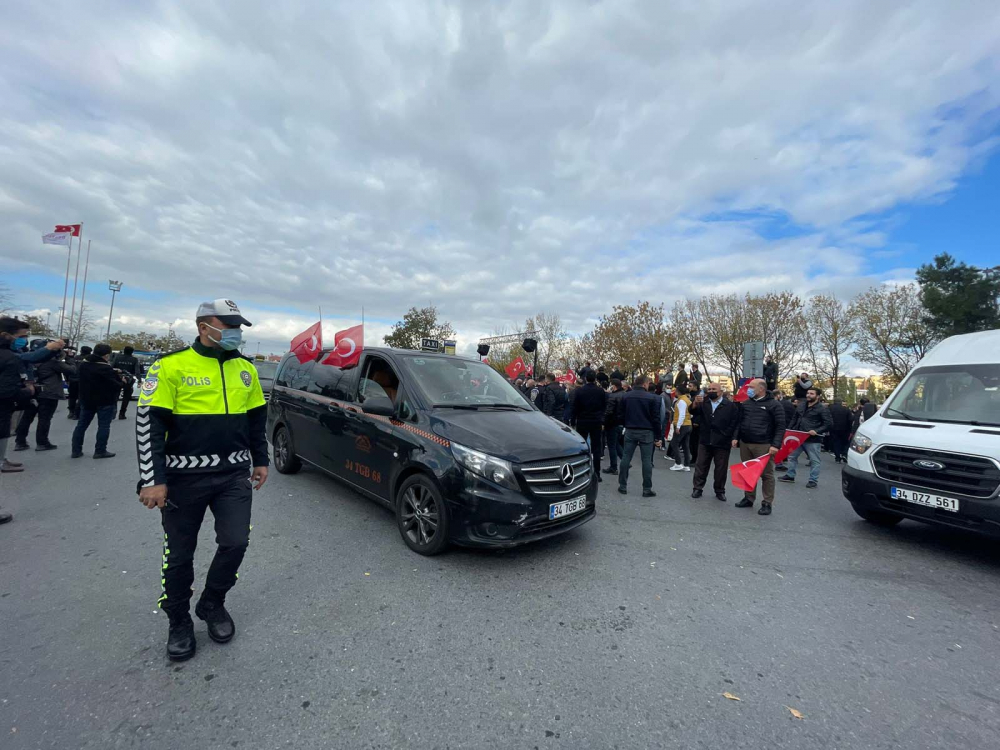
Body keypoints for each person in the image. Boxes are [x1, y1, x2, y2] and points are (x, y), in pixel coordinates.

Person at [136, 298, 269, 662]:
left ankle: (212, 603)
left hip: (233, 476)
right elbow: (149, 424)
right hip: (182, 479)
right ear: (202, 327)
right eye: (227, 325)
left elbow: (257, 419)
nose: (235, 332)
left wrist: (261, 459)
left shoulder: (247, 370)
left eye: (238, 325)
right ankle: (178, 619)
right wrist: (152, 479)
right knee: (179, 556)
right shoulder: (169, 366)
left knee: (236, 542)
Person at [0, 318, 63, 474]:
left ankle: (2, 458)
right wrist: (26, 392)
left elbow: (29, 358)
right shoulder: (8, 356)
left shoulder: (11, 353)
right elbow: (26, 360)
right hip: (6, 400)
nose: (23, 340)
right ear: (5, 335)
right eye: (20, 336)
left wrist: (51, 350)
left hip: (9, 402)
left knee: (6, 429)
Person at [732, 378, 786, 515]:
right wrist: (735, 437)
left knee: (767, 475)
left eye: (751, 387)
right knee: (748, 472)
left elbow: (780, 427)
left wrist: (775, 445)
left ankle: (767, 502)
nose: (748, 389)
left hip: (764, 444)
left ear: (761, 389)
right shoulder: (746, 403)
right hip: (746, 443)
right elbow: (739, 422)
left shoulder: (774, 405)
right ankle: (748, 498)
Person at [13, 346, 76, 451]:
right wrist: (70, 358)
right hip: (48, 392)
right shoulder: (52, 363)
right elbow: (72, 370)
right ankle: (42, 442)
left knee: (27, 417)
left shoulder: (30, 361)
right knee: (45, 418)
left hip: (32, 391)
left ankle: (20, 441)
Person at [71, 343, 124, 459]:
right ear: (106, 355)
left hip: (86, 399)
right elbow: (115, 385)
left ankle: (76, 450)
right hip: (105, 400)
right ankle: (100, 450)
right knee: (103, 426)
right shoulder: (105, 368)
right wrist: (123, 381)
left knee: (81, 425)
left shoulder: (84, 365)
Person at [691, 381, 739, 501]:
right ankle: (697, 488)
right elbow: (692, 411)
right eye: (710, 389)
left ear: (721, 392)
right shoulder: (703, 402)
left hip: (722, 442)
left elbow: (735, 423)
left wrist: (732, 437)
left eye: (714, 390)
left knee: (721, 469)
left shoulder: (730, 406)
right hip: (705, 440)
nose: (711, 391)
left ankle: (719, 490)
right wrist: (695, 403)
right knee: (701, 466)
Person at [616, 375, 662, 497]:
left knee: (626, 457)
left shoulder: (626, 396)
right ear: (645, 384)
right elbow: (656, 418)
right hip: (647, 431)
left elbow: (620, 415)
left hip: (630, 430)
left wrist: (625, 424)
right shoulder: (652, 398)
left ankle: (622, 485)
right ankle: (647, 488)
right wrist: (658, 437)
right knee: (646, 461)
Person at [779, 387, 833, 488]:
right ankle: (790, 475)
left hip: (812, 439)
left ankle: (813, 480)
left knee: (814, 460)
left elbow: (829, 424)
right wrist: (789, 430)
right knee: (792, 456)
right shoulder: (802, 405)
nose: (808, 395)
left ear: (818, 396)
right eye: (808, 393)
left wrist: (816, 431)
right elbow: (795, 418)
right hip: (798, 436)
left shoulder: (822, 409)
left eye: (811, 394)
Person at [570, 371, 607, 481]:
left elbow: (575, 407)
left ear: (586, 378)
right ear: (595, 379)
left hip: (582, 421)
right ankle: (597, 473)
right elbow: (603, 407)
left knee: (582, 447)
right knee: (596, 448)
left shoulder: (579, 391)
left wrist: (573, 421)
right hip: (596, 421)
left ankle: (581, 471)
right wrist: (602, 421)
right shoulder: (600, 391)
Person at [603, 378, 626, 475]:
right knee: (616, 443)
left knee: (612, 445)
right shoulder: (625, 395)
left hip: (612, 423)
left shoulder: (612, 396)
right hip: (622, 423)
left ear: (614, 386)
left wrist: (604, 423)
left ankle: (613, 467)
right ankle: (625, 461)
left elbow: (609, 412)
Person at [112, 345, 140, 420]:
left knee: (115, 396)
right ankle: (122, 414)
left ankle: (113, 413)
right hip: (128, 380)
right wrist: (139, 380)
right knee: (126, 397)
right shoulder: (134, 359)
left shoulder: (117, 357)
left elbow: (112, 367)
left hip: (117, 378)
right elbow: (137, 371)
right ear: (132, 352)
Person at [669, 386, 692, 472]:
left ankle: (678, 463)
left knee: (674, 443)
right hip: (688, 424)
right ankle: (686, 465)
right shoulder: (688, 400)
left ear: (678, 392)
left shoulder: (681, 401)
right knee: (685, 445)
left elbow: (681, 414)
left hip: (682, 425)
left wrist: (678, 426)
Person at [828, 398, 853, 463]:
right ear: (841, 402)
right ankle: (844, 454)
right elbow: (850, 419)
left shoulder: (830, 409)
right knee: (845, 442)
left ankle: (837, 457)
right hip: (845, 429)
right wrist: (850, 428)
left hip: (833, 428)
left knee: (836, 442)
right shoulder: (846, 409)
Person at [65, 347, 83, 419]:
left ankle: (71, 411)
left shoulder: (74, 358)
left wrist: (67, 379)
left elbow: (66, 369)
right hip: (82, 381)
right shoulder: (87, 360)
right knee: (80, 397)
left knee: (72, 397)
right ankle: (77, 413)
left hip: (72, 380)